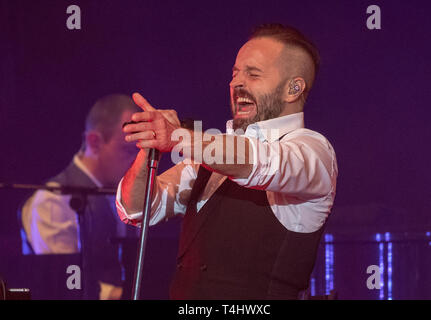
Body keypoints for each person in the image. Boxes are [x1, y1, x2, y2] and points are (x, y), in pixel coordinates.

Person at [117, 24, 338, 299]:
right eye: (235, 73)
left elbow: (258, 162)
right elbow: (136, 209)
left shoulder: (313, 151)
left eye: (253, 74)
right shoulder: (211, 152)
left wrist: (179, 138)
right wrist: (149, 147)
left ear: (293, 88)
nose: (237, 83)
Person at [21, 94, 139, 299]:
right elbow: (65, 283)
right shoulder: (54, 200)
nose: (135, 162)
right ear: (94, 141)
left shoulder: (126, 193)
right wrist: (123, 295)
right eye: (128, 150)